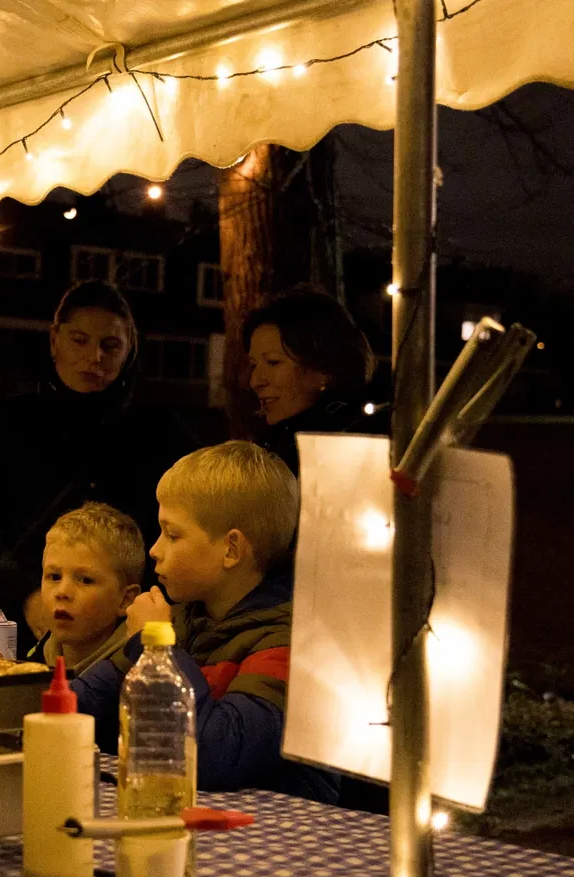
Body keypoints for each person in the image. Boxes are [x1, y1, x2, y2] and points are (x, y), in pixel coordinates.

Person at [72, 442, 338, 801]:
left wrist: (154, 645)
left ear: (231, 550)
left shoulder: (287, 641)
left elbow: (211, 754)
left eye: (173, 534)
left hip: (281, 838)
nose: (154, 549)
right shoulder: (185, 618)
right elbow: (84, 702)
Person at [0, 281, 198, 649]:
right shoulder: (4, 425)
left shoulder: (161, 432)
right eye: (80, 340)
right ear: (54, 340)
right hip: (21, 628)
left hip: (128, 633)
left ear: (129, 350)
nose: (95, 357)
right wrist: (24, 596)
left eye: (110, 346)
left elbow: (190, 532)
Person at [242, 285, 389, 475]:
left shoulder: (351, 458)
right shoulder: (277, 445)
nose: (256, 381)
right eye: (254, 365)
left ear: (324, 369)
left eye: (273, 362)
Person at [26, 502, 143, 674]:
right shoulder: (32, 663)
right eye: (54, 577)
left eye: (86, 580)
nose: (62, 592)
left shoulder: (136, 677)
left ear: (125, 600)